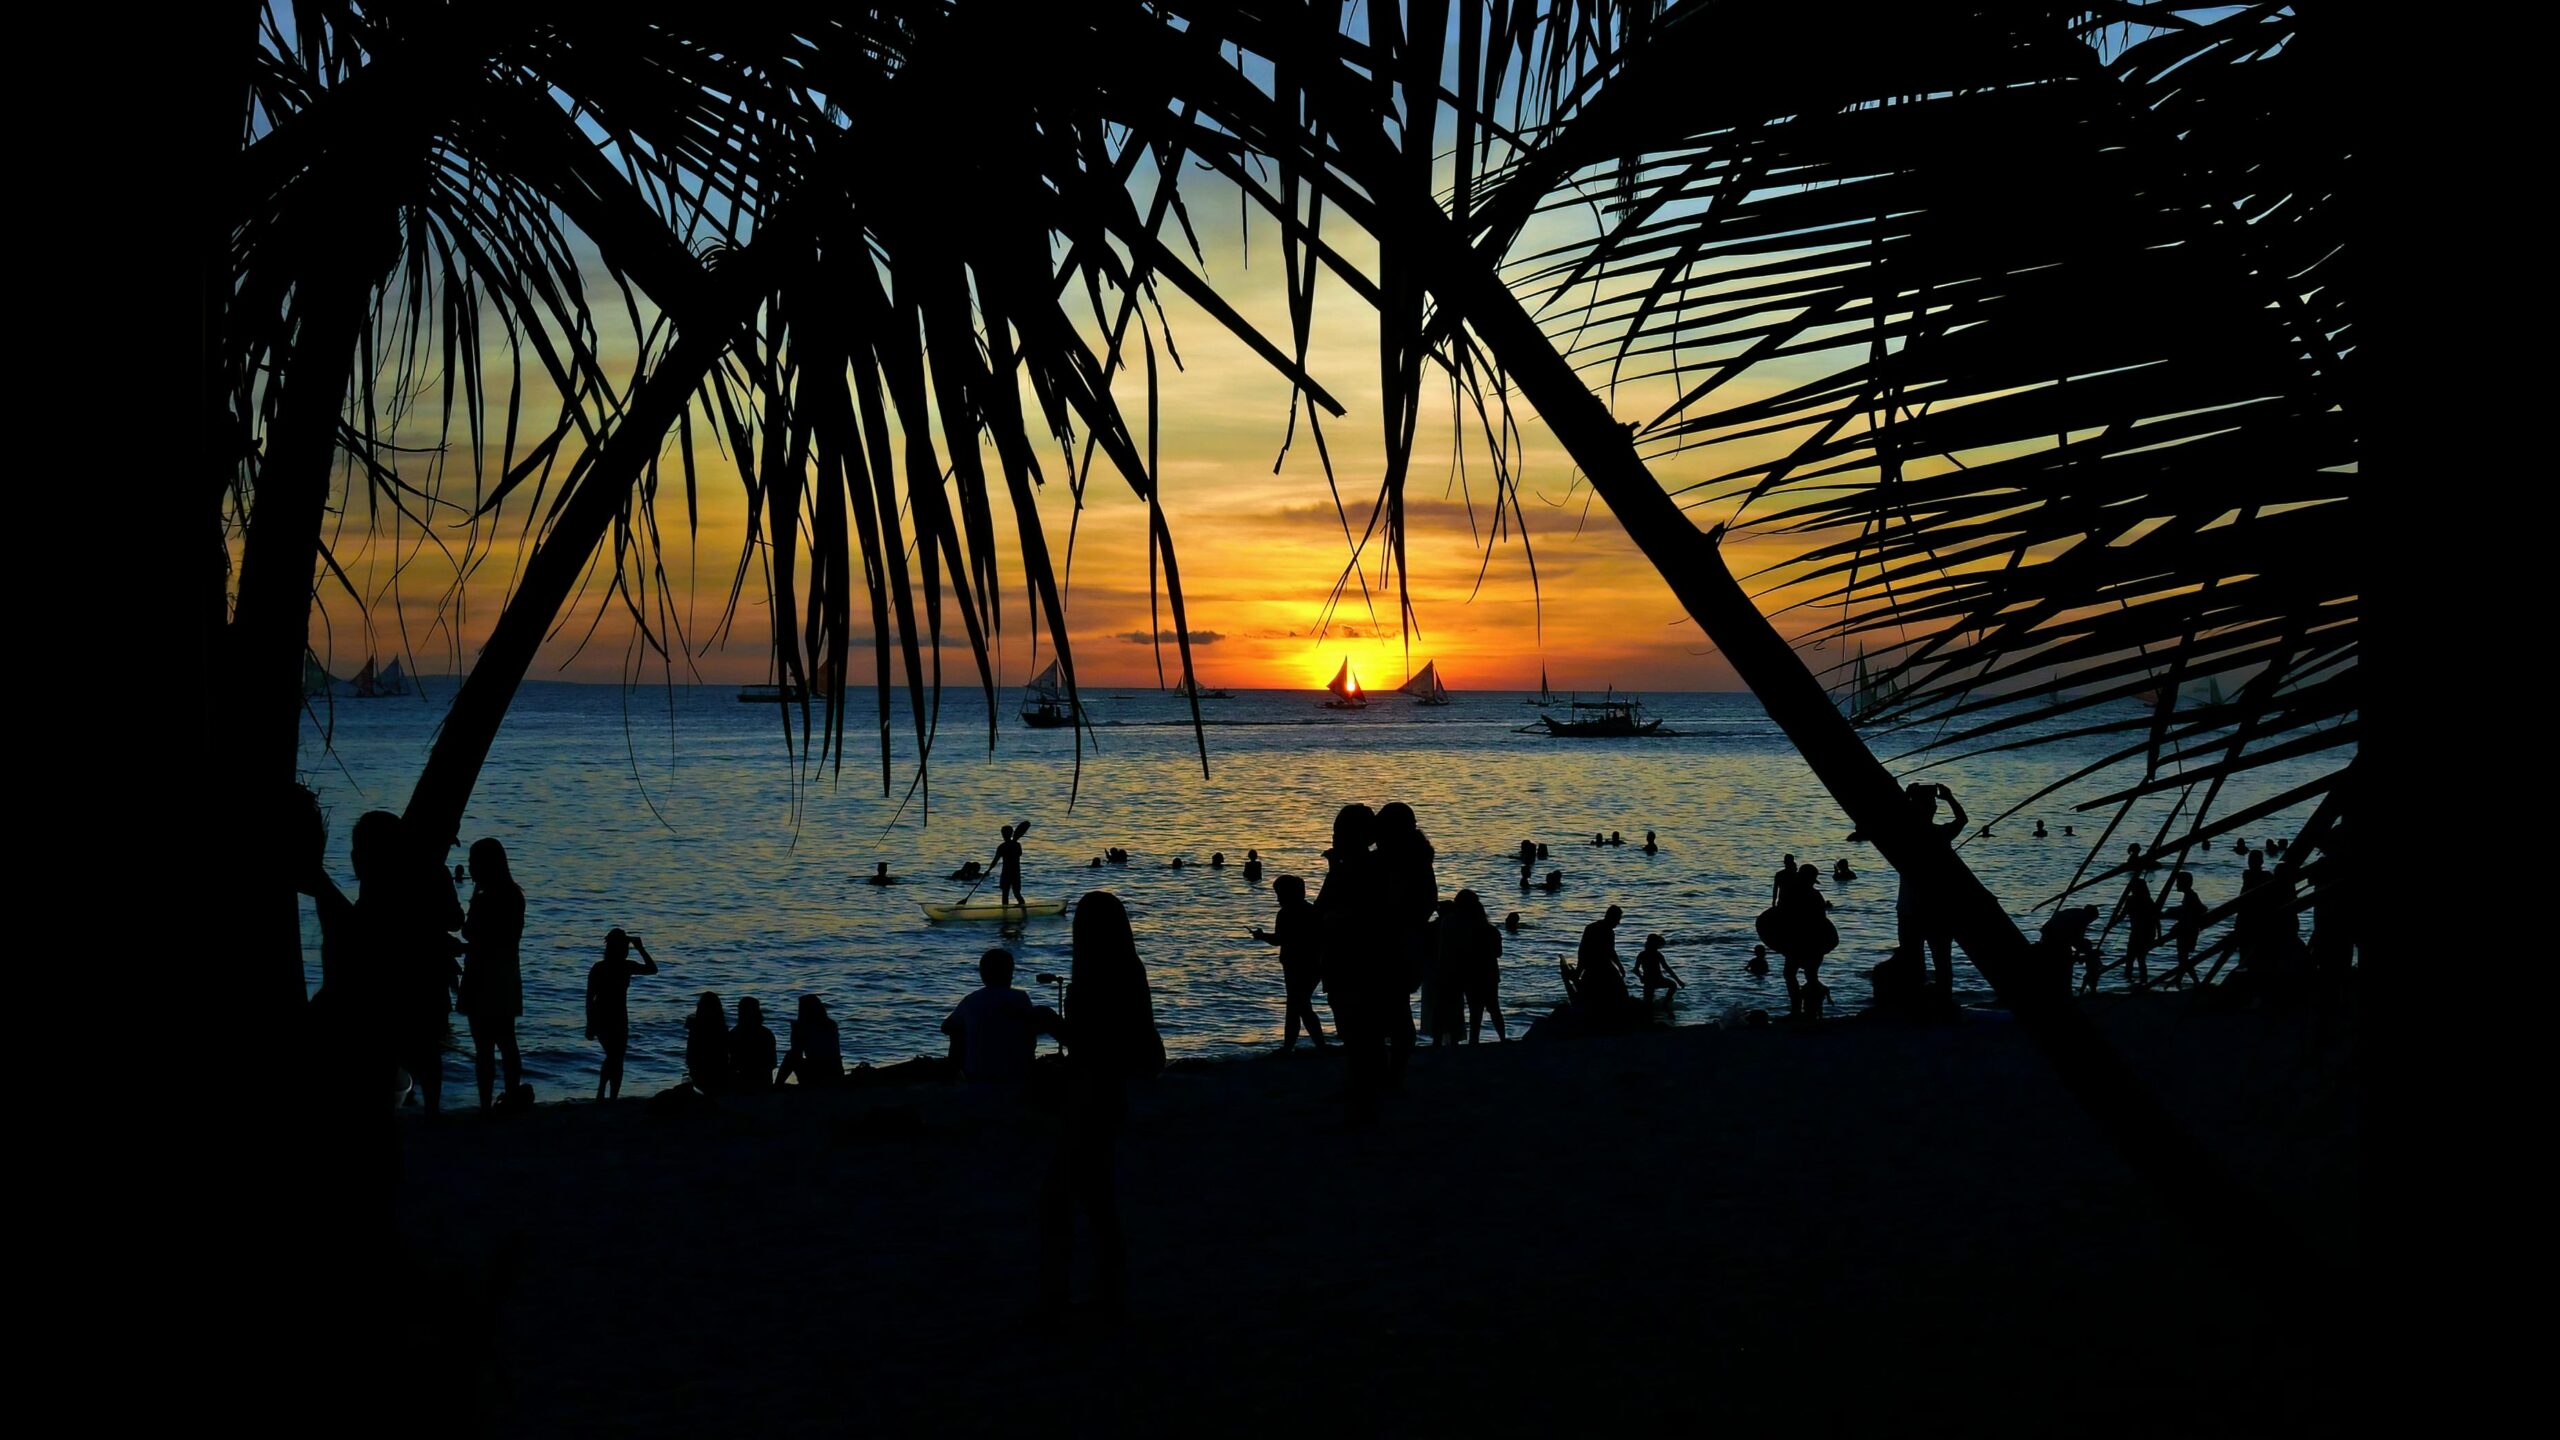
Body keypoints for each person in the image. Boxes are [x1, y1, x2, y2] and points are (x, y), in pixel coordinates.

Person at [1038, 891, 1164, 1318]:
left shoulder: (1099, 975)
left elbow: (1094, 1045)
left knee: (1067, 1198)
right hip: (1104, 1094)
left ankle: (1068, 1298)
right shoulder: (1127, 968)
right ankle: (1106, 1293)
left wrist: (1052, 1024)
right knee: (1095, 1198)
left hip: (1092, 1094)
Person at [1317, 803, 1387, 1124]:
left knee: (1356, 1026)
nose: (1334, 840)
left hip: (1351, 960)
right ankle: (1363, 1085)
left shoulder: (1357, 869)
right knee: (1360, 1028)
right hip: (1358, 960)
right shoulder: (1369, 866)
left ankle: (1364, 1092)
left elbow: (1324, 910)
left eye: (1337, 833)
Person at [458, 838, 527, 1113]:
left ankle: (486, 1104)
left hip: (483, 975)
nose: (471, 868)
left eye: (475, 862)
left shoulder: (487, 898)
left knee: (484, 1046)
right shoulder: (513, 895)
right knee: (506, 1040)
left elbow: (473, 934)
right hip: (505, 974)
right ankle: (509, 1096)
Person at [1372, 802, 1437, 1076]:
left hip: (1396, 944)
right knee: (1396, 1010)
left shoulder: (1398, 862)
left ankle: (1391, 1072)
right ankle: (1393, 1072)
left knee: (1390, 1012)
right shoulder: (1419, 860)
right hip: (1410, 943)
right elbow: (1429, 902)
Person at [1895, 783, 1969, 995]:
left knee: (1916, 962)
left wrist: (1906, 798)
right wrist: (1950, 797)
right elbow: (1962, 820)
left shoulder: (1904, 837)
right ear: (1933, 809)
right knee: (1941, 961)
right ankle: (1942, 999)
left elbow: (1893, 820)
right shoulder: (1939, 835)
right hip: (1935, 909)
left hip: (1913, 910)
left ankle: (1919, 1002)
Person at [943, 947, 1052, 1087]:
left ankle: (955, 1075)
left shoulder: (971, 1000)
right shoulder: (1020, 997)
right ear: (1010, 973)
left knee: (957, 1029)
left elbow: (946, 1027)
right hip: (1016, 1075)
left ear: (982, 974)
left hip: (976, 1076)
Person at [1251, 876, 1326, 1050]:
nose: (1278, 899)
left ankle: (1304, 1046)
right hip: (1313, 965)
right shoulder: (1313, 911)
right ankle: (1303, 1046)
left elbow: (1279, 940)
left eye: (1280, 894)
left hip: (1295, 965)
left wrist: (1261, 936)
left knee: (1298, 1006)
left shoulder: (1285, 914)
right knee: (1298, 1005)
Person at [585, 928, 657, 1099]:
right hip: (605, 1017)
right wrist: (590, 1023)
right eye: (624, 947)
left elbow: (652, 969)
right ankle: (603, 1091)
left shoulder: (624, 966)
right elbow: (589, 998)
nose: (625, 950)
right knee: (614, 1056)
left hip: (618, 1018)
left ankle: (609, 1095)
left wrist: (640, 948)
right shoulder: (602, 968)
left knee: (616, 1057)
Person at [1440, 889, 1506, 1043]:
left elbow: (1452, 950)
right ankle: (1502, 1038)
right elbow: (1498, 952)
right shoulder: (1489, 930)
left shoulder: (1454, 924)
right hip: (1488, 972)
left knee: (1475, 1009)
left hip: (1469, 972)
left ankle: (1474, 1040)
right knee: (1493, 1007)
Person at [1571, 905, 1632, 1016]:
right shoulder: (1603, 931)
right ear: (1611, 917)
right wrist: (1579, 970)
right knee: (1621, 991)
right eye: (1618, 919)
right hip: (1599, 967)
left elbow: (1583, 950)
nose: (1618, 923)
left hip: (1596, 965)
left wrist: (1619, 965)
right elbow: (1587, 950)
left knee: (1617, 987)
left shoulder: (1592, 928)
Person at [776, 995, 843, 1088]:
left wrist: (795, 1033)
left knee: (791, 1055)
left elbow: (796, 1051)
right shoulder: (831, 1024)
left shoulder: (803, 1027)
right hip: (835, 1072)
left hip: (816, 1073)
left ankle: (777, 1085)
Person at [2115, 862, 2160, 990]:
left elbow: (2155, 918)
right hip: (2142, 932)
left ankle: (2138, 982)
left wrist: (2159, 934)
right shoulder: (2140, 900)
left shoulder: (2141, 900)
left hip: (2144, 932)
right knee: (2135, 959)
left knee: (2136, 959)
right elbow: (2122, 915)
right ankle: (2136, 982)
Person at [2162, 872, 2207, 988]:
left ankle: (2196, 982)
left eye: (2178, 882)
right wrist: (2176, 910)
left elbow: (2193, 912)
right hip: (2188, 931)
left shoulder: (2191, 896)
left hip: (2187, 932)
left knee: (2183, 959)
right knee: (2183, 958)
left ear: (2184, 883)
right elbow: (2192, 909)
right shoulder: (2190, 896)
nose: (2176, 885)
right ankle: (2179, 980)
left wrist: (2176, 921)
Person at [685, 993, 732, 1095]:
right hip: (721, 1076)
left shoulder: (696, 1030)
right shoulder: (722, 1029)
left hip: (699, 1075)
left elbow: (689, 1058)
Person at [729, 996, 778, 1093]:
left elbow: (733, 1064)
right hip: (764, 1083)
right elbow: (773, 1063)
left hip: (741, 1084)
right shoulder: (767, 1033)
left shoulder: (734, 1034)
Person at [1634, 933, 1683, 1009]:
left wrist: (1641, 977)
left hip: (1651, 980)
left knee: (1648, 1003)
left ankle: (1664, 1004)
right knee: (1672, 985)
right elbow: (1667, 969)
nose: (1659, 946)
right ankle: (1664, 1004)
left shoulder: (1643, 954)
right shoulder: (1656, 954)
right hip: (1655, 980)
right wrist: (1678, 981)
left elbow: (1635, 970)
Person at [997, 824, 1026, 905]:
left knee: (1014, 893)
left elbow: (1019, 854)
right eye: (1003, 833)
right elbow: (995, 860)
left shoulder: (1004, 846)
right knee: (1008, 894)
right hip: (1011, 873)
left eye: (1004, 833)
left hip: (1012, 873)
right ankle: (1006, 912)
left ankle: (1022, 909)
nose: (1003, 835)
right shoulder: (1015, 845)